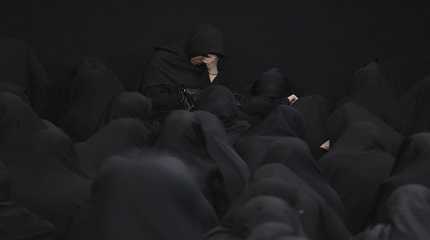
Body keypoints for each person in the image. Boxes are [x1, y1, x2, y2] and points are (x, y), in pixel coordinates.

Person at [140, 24, 226, 119]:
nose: (208, 61)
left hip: (207, 118)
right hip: (172, 118)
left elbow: (215, 95)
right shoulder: (164, 61)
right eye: (205, 55)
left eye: (214, 56)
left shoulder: (209, 67)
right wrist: (184, 97)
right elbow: (151, 99)